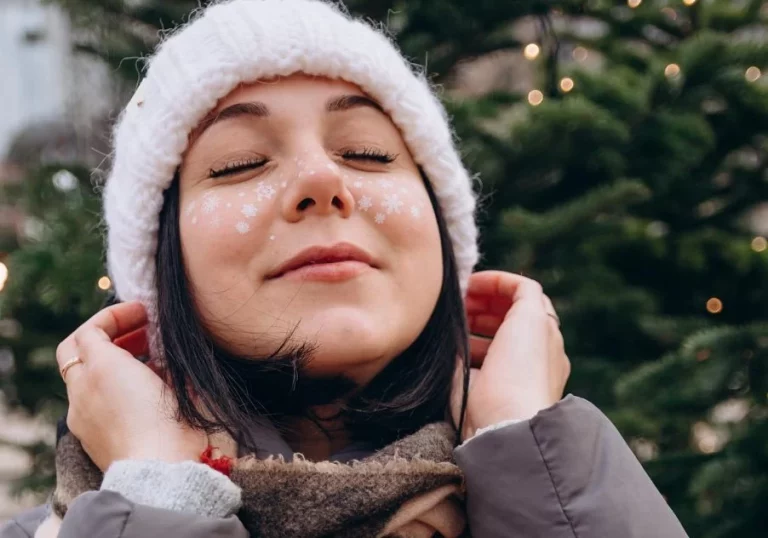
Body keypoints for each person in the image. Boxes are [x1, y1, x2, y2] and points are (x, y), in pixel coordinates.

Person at [1, 1, 689, 537]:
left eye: (367, 153)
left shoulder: (569, 487)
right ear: (162, 265)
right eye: (241, 163)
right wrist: (157, 495)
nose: (322, 180)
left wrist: (526, 443)